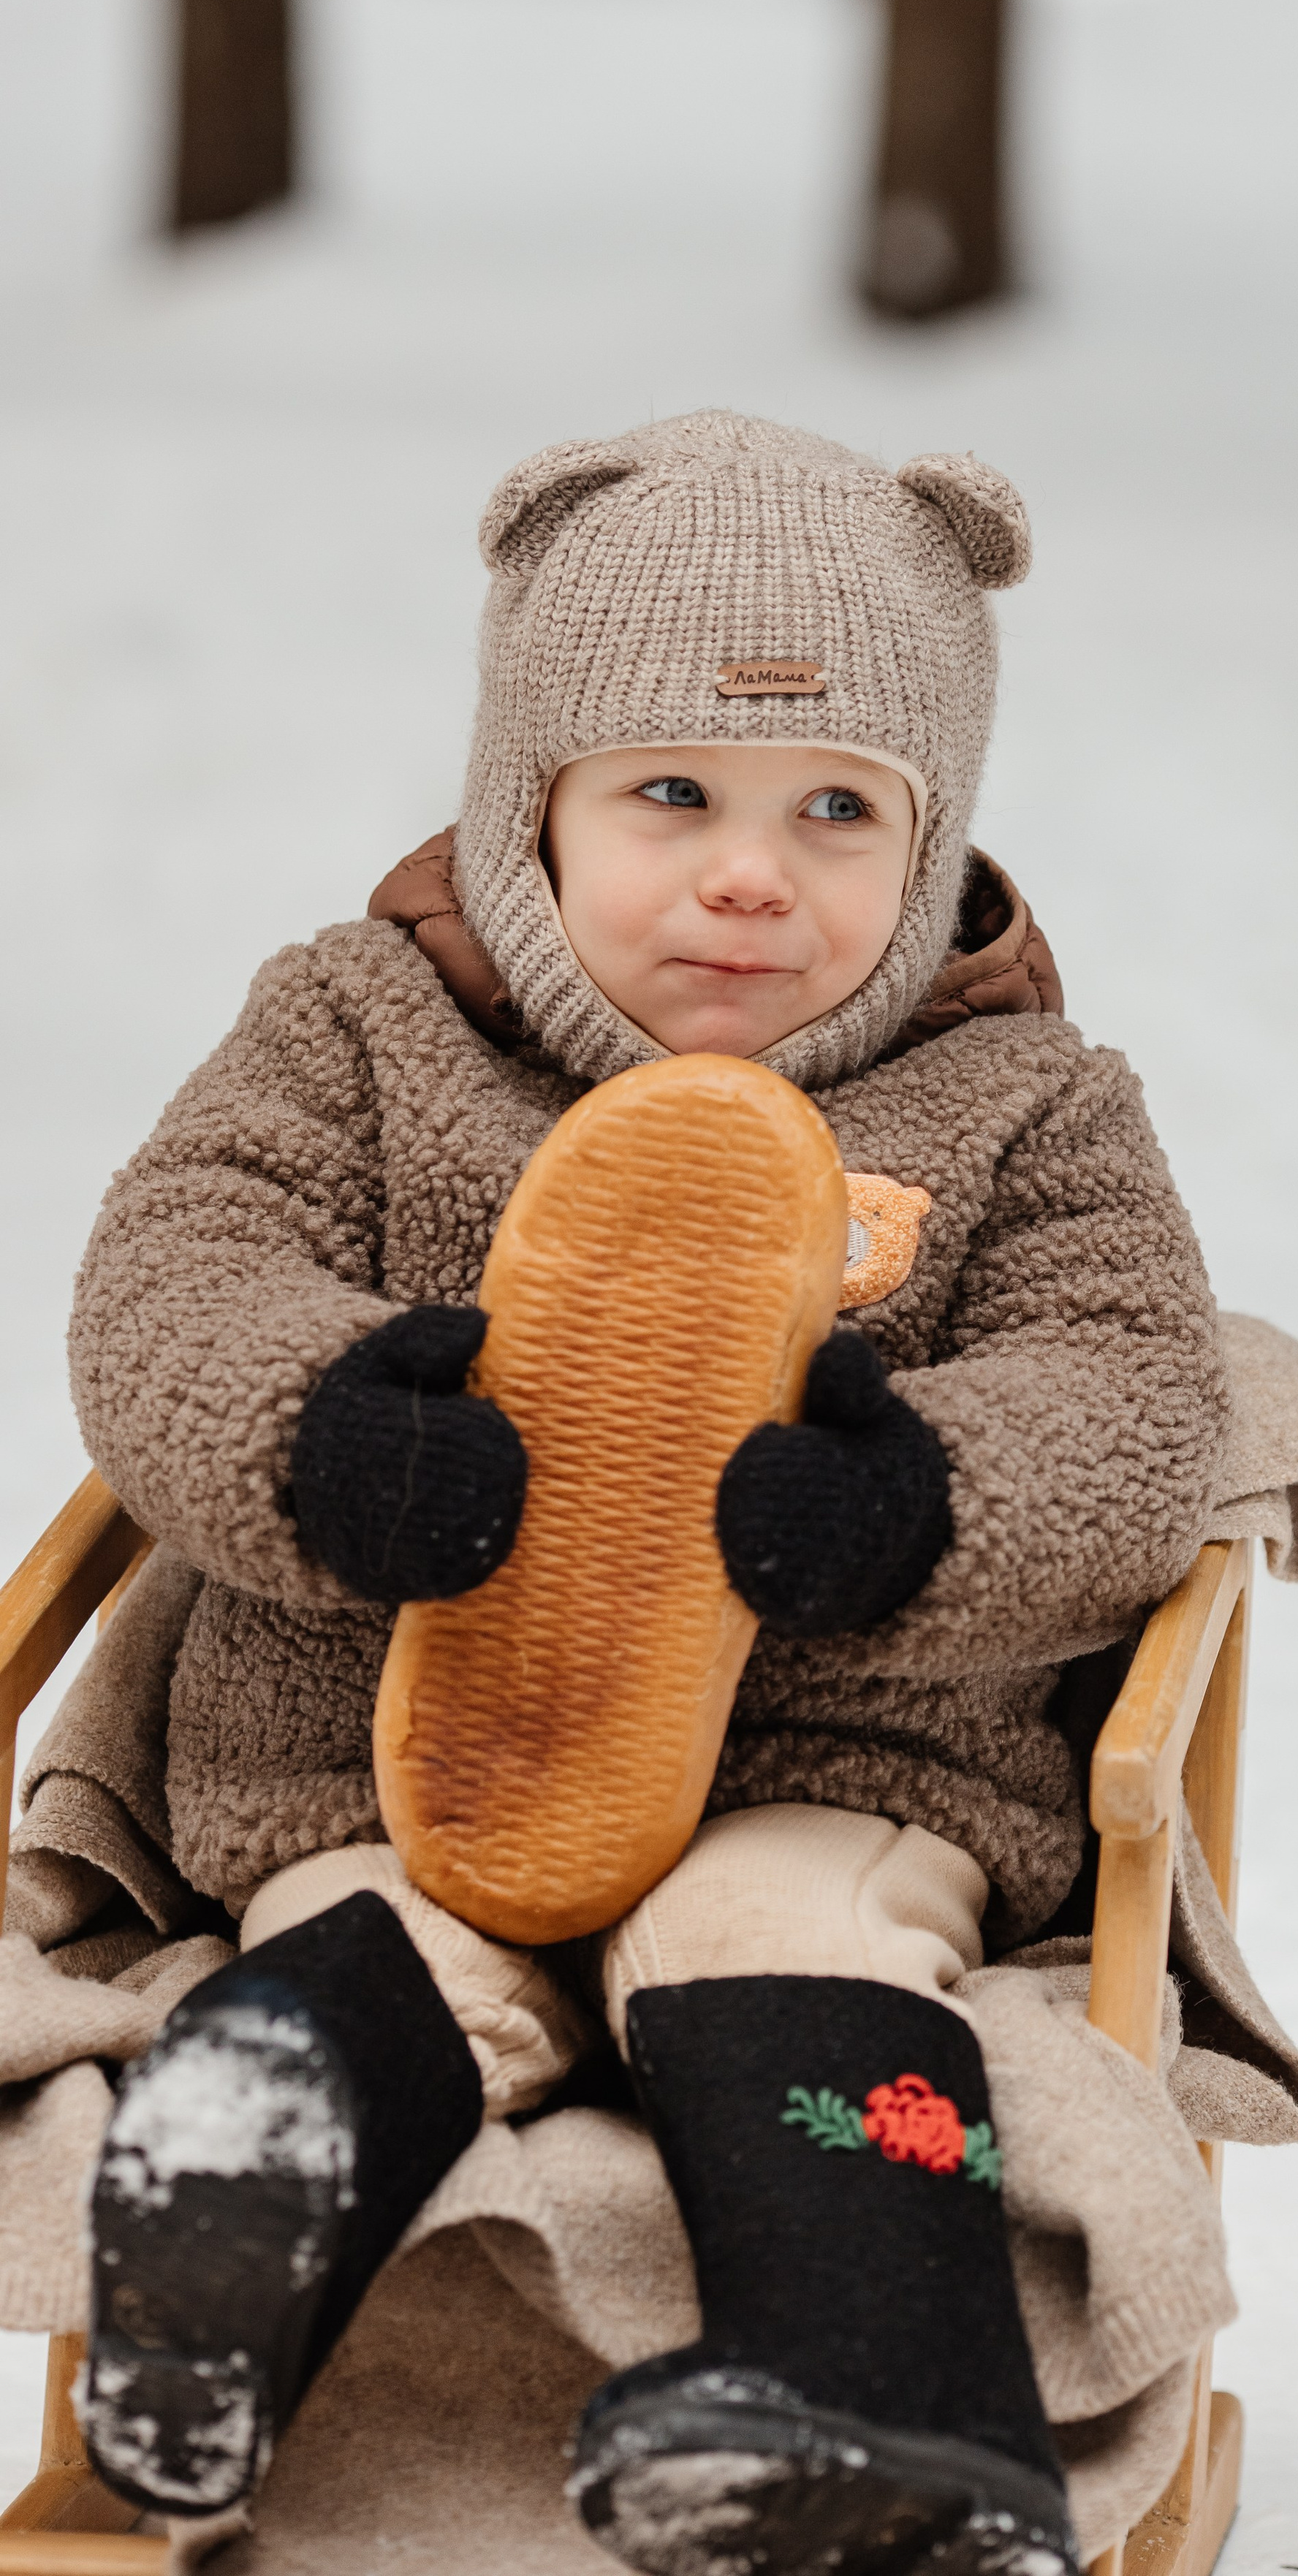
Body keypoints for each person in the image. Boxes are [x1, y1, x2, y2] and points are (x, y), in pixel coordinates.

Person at [67, 412, 1231, 2574]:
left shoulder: (1020, 1108)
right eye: (670, 795)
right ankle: (216, 2270)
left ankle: (886, 2397)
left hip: (833, 1755)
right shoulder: (355, 1033)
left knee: (774, 1926)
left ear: (934, 831)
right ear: (535, 808)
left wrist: (922, 1502)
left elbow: (1134, 1399)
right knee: (370, 1946)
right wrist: (324, 1434)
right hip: (399, 1762)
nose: (749, 874)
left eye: (838, 811)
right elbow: (178, 1275)